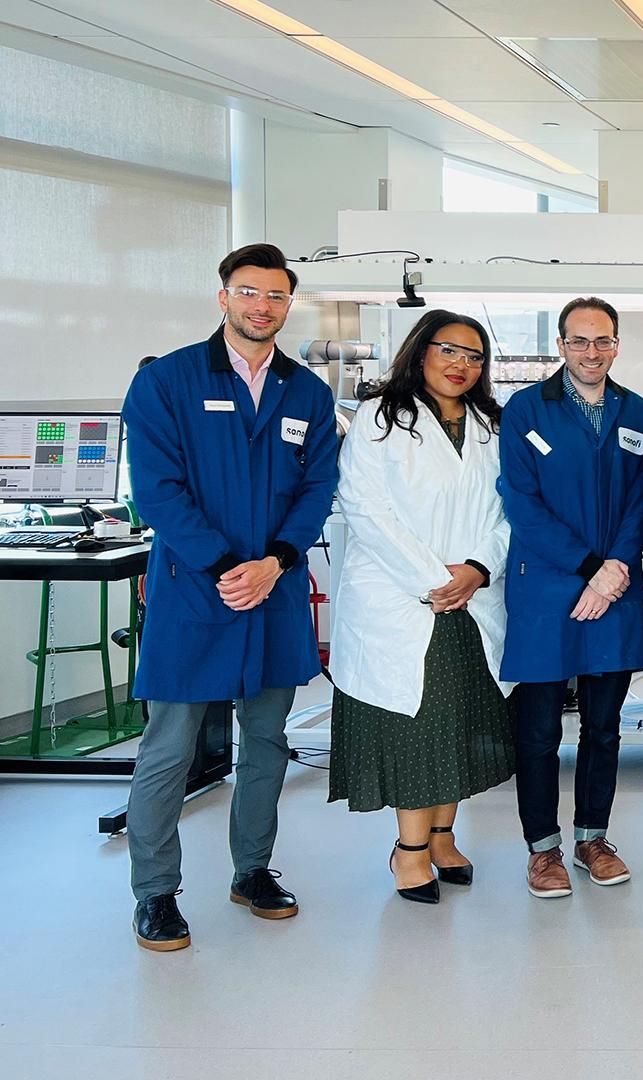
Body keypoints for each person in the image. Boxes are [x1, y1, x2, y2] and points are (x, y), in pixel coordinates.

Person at [120, 242, 341, 950]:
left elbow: (317, 489)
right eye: (249, 293)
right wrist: (224, 565)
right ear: (223, 297)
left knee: (269, 741)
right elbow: (157, 490)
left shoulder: (306, 392)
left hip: (271, 591)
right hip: (194, 590)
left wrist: (275, 562)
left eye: (276, 297)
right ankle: (155, 892)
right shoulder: (167, 383)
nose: (262, 307)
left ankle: (253, 870)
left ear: (287, 305)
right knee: (169, 749)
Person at [328, 310, 515, 905]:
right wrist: (436, 579)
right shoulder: (381, 420)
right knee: (420, 725)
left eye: (474, 356)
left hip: (472, 598)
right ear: (421, 351)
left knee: (458, 721)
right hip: (405, 599)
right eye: (450, 351)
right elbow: (366, 509)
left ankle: (441, 836)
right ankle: (407, 852)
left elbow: (510, 510)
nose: (462, 364)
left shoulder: (492, 425)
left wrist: (479, 570)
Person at [498, 296, 643, 899]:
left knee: (604, 726)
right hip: (547, 587)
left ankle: (592, 837)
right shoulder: (525, 410)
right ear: (561, 345)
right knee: (537, 732)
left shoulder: (636, 412)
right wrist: (593, 567)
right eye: (579, 341)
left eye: (603, 341)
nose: (592, 352)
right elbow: (521, 503)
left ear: (616, 344)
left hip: (613, 589)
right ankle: (543, 850)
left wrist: (615, 568)